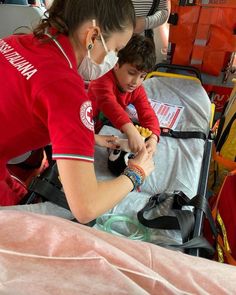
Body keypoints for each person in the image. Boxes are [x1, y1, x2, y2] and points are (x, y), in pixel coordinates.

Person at [0, 0, 155, 223]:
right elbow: (86, 206)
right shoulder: (66, 89)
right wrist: (136, 173)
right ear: (92, 36)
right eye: (115, 50)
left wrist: (88, 138)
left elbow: (19, 106)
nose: (111, 60)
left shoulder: (14, 42)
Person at [88, 34, 160, 156]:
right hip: (80, 131)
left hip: (99, 135)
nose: (135, 82)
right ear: (116, 64)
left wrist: (153, 138)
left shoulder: (136, 89)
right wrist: (130, 129)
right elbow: (109, 103)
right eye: (132, 73)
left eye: (142, 76)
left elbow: (147, 113)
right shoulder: (102, 78)